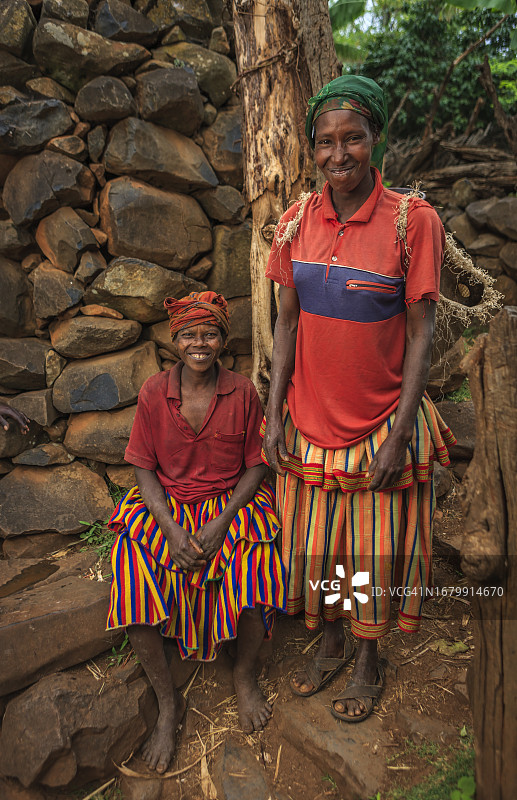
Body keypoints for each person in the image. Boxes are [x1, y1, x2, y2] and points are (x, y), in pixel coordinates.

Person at [262, 75, 455, 723]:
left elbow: (422, 329)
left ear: (375, 139)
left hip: (379, 420)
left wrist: (400, 433)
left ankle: (370, 657)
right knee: (318, 545)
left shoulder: (411, 220)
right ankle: (333, 636)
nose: (337, 154)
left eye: (352, 139)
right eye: (324, 142)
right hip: (309, 419)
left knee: (372, 548)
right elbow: (285, 323)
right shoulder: (295, 221)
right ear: (311, 148)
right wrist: (272, 413)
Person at [106, 291, 286, 773]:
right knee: (132, 574)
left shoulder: (243, 392)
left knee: (256, 571)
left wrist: (222, 521)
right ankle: (169, 704)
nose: (199, 343)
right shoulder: (152, 393)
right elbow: (143, 470)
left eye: (210, 334)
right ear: (175, 341)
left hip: (230, 506)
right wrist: (168, 530)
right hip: (168, 507)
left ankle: (244, 675)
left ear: (224, 340)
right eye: (189, 334)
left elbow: (256, 466)